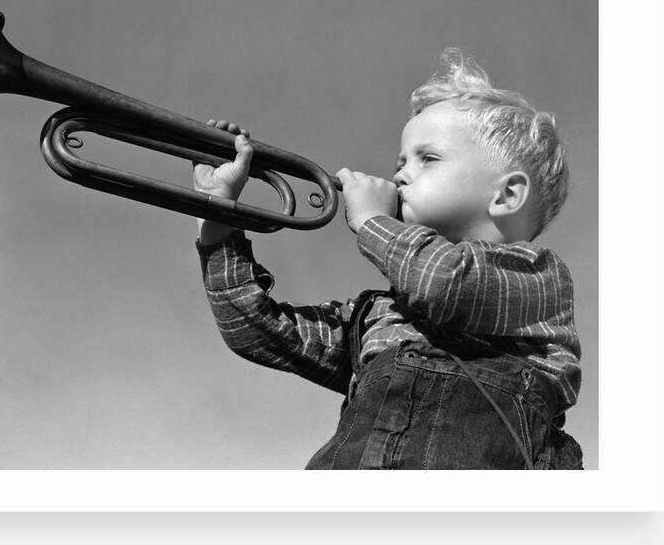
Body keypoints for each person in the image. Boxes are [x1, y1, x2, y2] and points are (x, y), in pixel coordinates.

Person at [193, 49, 582, 469]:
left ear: (506, 196)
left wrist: (372, 220)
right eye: (400, 162)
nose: (399, 175)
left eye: (427, 158)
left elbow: (445, 283)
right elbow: (255, 332)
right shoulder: (377, 317)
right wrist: (218, 215)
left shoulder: (538, 278)